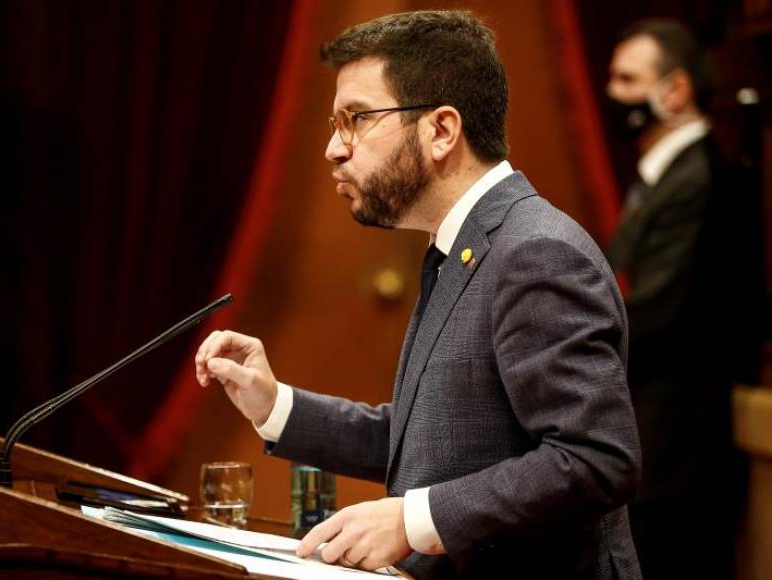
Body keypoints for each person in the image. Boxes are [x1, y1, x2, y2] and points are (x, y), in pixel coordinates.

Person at [197, 10, 641, 579]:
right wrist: (273, 404)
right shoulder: (460, 248)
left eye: (355, 119)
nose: (334, 148)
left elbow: (597, 460)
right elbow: (436, 441)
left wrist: (412, 520)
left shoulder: (536, 253)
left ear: (440, 131)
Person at [605, 19, 758, 580]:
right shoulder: (661, 176)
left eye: (627, 79)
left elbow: (656, 312)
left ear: (674, 91)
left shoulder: (697, 178)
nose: (613, 94)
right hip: (654, 438)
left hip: (676, 444)